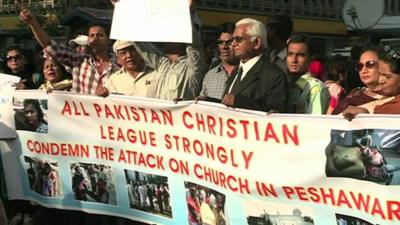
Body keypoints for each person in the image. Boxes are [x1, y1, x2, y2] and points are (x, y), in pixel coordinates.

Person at [19, 8, 119, 95]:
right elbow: (48, 45)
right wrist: (33, 23)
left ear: (109, 40)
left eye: (100, 35)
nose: (95, 39)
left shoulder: (119, 66)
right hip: (80, 115)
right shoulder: (78, 61)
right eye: (91, 36)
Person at [222, 18, 287, 112]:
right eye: (233, 39)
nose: (233, 44)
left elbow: (275, 112)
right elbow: (227, 102)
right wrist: (206, 102)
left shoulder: (274, 75)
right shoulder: (236, 70)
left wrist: (238, 101)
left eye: (238, 39)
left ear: (257, 43)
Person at [342, 46, 400, 119]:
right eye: (360, 66)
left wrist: (366, 117)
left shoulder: (394, 105)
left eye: (370, 64)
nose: (381, 81)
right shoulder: (354, 94)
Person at [95, 40, 160, 98]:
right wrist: (101, 92)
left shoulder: (157, 74)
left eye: (132, 51)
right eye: (123, 53)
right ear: (117, 59)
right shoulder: (114, 80)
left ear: (140, 53)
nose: (129, 55)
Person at [333, 46, 386, 114]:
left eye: (370, 64)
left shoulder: (394, 101)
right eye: (360, 66)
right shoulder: (353, 96)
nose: (364, 70)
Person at [286, 34, 329, 114]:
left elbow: (314, 122)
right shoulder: (283, 83)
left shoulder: (316, 88)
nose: (294, 60)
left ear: (311, 59)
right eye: (290, 54)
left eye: (300, 55)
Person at [197, 22, 239, 102]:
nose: (224, 46)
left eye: (229, 42)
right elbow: (201, 105)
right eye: (220, 42)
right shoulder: (210, 75)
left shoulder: (247, 74)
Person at [266, 13, 293, 78]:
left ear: (274, 32)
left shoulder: (291, 61)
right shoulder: (269, 55)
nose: (266, 33)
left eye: (267, 29)